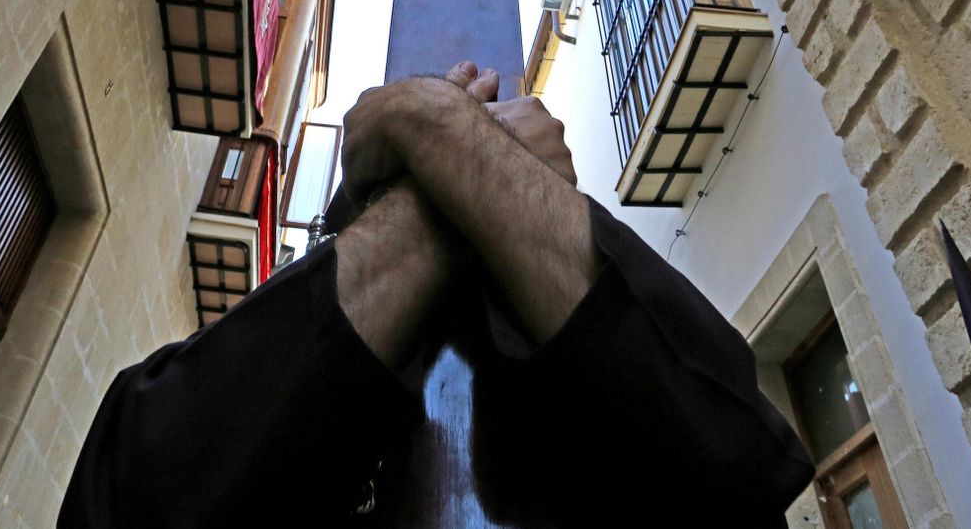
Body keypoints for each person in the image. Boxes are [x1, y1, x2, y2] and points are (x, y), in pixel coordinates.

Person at [59, 62, 813, 528]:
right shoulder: (216, 415)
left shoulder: (597, 433)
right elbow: (128, 501)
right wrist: (454, 145)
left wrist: (424, 122)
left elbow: (740, 474)